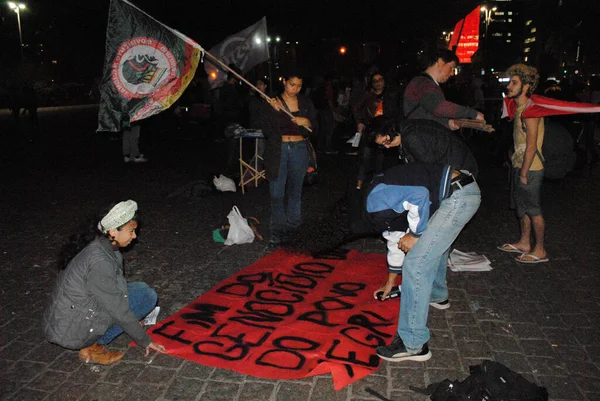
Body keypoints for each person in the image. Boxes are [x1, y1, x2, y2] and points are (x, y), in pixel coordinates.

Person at [370, 162, 481, 362]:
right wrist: (390, 282)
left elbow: (420, 195)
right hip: (463, 188)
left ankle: (412, 344)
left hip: (458, 196)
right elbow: (396, 240)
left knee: (416, 263)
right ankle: (437, 295)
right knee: (433, 245)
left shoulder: (376, 203)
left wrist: (415, 234)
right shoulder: (380, 195)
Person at [43, 200, 166, 364]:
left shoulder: (103, 246)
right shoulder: (100, 261)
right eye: (131, 231)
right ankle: (94, 345)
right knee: (144, 298)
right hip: (72, 328)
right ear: (113, 231)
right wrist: (145, 340)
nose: (135, 236)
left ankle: (111, 330)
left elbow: (115, 288)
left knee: (142, 292)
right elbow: (117, 308)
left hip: (72, 315)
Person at [497, 65, 548, 264]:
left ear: (526, 86)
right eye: (510, 82)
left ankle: (540, 250)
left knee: (533, 209)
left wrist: (524, 172)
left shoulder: (531, 110)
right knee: (522, 207)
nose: (509, 86)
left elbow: (531, 146)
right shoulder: (519, 108)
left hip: (531, 168)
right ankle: (525, 242)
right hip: (521, 166)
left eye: (514, 83)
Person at [262, 71, 317, 246]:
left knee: (295, 192)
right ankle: (277, 231)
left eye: (299, 85)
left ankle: (294, 230)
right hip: (278, 150)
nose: (295, 89)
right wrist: (273, 111)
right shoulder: (273, 101)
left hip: (299, 148)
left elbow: (315, 127)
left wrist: (306, 121)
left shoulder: (306, 102)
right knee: (276, 193)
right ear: (284, 82)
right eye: (292, 84)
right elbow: (266, 130)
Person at [403, 49, 484, 130]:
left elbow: (424, 115)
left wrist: (447, 123)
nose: (452, 73)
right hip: (418, 136)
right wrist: (472, 113)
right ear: (441, 62)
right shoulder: (423, 83)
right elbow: (439, 107)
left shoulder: (423, 83)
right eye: (452, 67)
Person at [372, 117, 478, 177]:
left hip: (461, 171)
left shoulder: (413, 137)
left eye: (386, 141)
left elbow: (429, 170)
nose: (387, 147)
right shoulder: (405, 130)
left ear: (392, 130)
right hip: (454, 167)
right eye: (382, 145)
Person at [354, 72, 401, 189]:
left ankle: (376, 184)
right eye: (375, 81)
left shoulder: (390, 94)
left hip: (385, 130)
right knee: (365, 156)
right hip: (371, 129)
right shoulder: (367, 95)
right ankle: (359, 185)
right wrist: (360, 122)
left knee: (380, 158)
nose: (378, 83)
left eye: (380, 80)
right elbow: (356, 108)